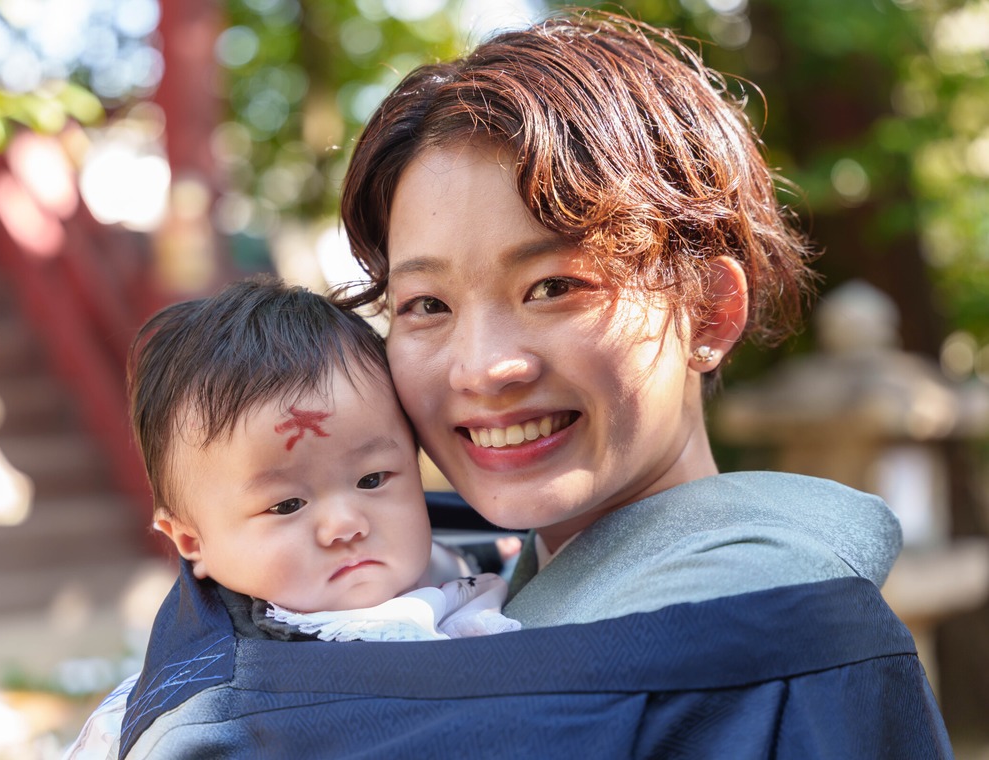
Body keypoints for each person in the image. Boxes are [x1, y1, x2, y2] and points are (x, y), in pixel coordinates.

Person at [85, 11, 953, 759]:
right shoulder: (423, 581)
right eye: (425, 303)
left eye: (554, 287)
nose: (483, 367)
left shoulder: (785, 649)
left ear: (711, 311)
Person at [62, 276, 519, 759]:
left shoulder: (479, 567)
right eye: (285, 506)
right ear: (192, 541)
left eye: (373, 479)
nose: (345, 524)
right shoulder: (212, 714)